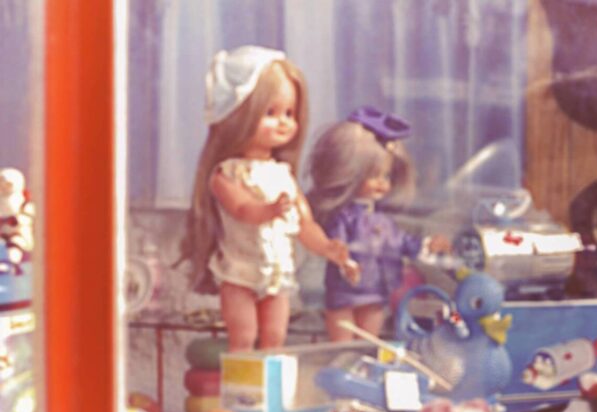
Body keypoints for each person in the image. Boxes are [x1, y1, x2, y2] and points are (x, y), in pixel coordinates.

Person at [179, 46, 354, 352]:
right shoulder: (226, 174)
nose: (283, 122)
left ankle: (268, 383)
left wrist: (328, 248)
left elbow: (304, 224)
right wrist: (269, 210)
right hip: (239, 272)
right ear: (237, 116)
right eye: (270, 113)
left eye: (289, 113)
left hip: (276, 275)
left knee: (275, 336)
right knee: (244, 336)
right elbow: (242, 208)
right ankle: (240, 382)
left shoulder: (282, 175)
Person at [306, 107, 451, 342]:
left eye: (386, 176)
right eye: (373, 176)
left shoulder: (383, 220)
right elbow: (336, 242)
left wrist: (427, 245)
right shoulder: (344, 217)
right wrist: (341, 256)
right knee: (341, 343)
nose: (382, 184)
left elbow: (402, 242)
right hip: (345, 290)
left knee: (368, 341)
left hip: (375, 290)